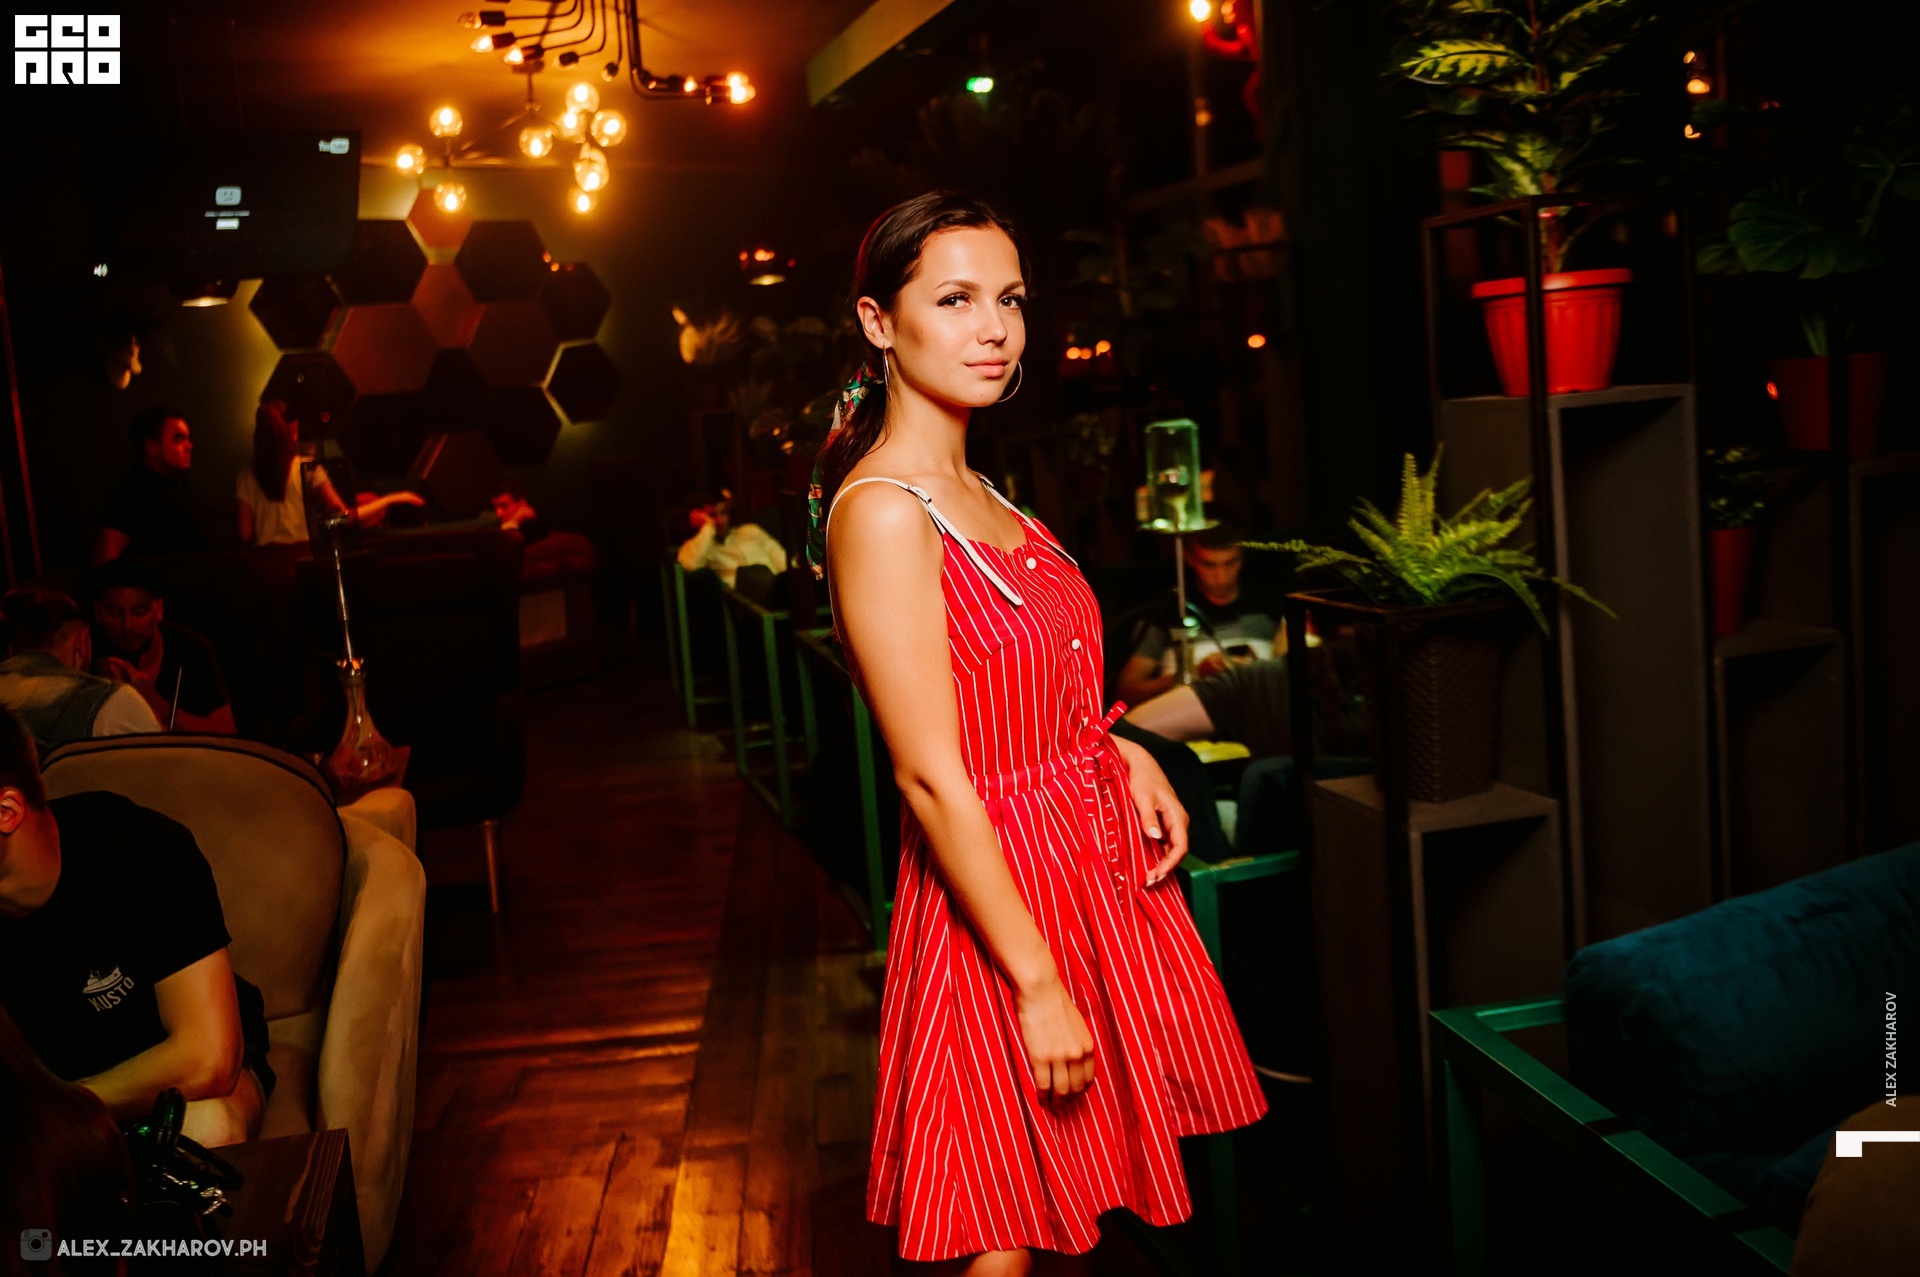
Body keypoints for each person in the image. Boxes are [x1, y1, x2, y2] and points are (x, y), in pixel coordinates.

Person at [818, 192, 1265, 1274]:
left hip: (1086, 874)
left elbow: (1029, 682)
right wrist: (1037, 980)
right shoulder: (885, 511)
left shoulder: (983, 491)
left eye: (1010, 299)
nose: (994, 329)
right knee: (1004, 1231)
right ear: (879, 322)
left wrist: (1122, 747)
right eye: (955, 299)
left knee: (1065, 1203)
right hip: (997, 899)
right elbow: (930, 775)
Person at [0, 707, 273, 1148]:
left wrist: (57, 1109)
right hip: (61, 1117)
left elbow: (210, 1059)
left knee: (210, 1127)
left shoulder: (139, 851)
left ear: (7, 811)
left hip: (175, 1087)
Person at [1115, 524, 1285, 705]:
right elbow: (1126, 692)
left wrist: (1257, 670)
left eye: (1230, 563)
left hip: (1256, 704)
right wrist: (1196, 672)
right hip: (1186, 708)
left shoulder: (1271, 601)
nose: (1221, 577)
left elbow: (1289, 673)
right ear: (1189, 558)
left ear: (1242, 557)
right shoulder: (1168, 608)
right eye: (1209, 565)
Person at [235, 400, 424, 547]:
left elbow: (245, 534)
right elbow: (345, 517)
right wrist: (392, 499)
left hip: (266, 567)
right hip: (303, 560)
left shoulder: (245, 477)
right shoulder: (308, 469)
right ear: (293, 429)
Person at [0, 588, 160, 753]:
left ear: (11, 649)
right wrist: (146, 699)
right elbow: (162, 762)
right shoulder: (113, 701)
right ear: (82, 642)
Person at [89, 557, 236, 736]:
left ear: (159, 610)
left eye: (140, 612)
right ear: (98, 612)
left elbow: (226, 732)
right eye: (114, 613)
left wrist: (153, 700)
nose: (128, 625)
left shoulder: (189, 649)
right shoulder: (86, 649)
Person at [94, 406, 221, 563]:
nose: (189, 446)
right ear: (152, 447)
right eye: (179, 439)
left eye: (188, 439)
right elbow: (105, 562)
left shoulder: (179, 485)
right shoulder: (131, 493)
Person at [676, 488, 788, 588]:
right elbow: (688, 567)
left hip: (779, 588)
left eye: (723, 513)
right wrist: (708, 527)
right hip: (748, 599)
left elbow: (781, 559)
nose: (720, 521)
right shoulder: (697, 548)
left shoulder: (750, 531)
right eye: (712, 515)